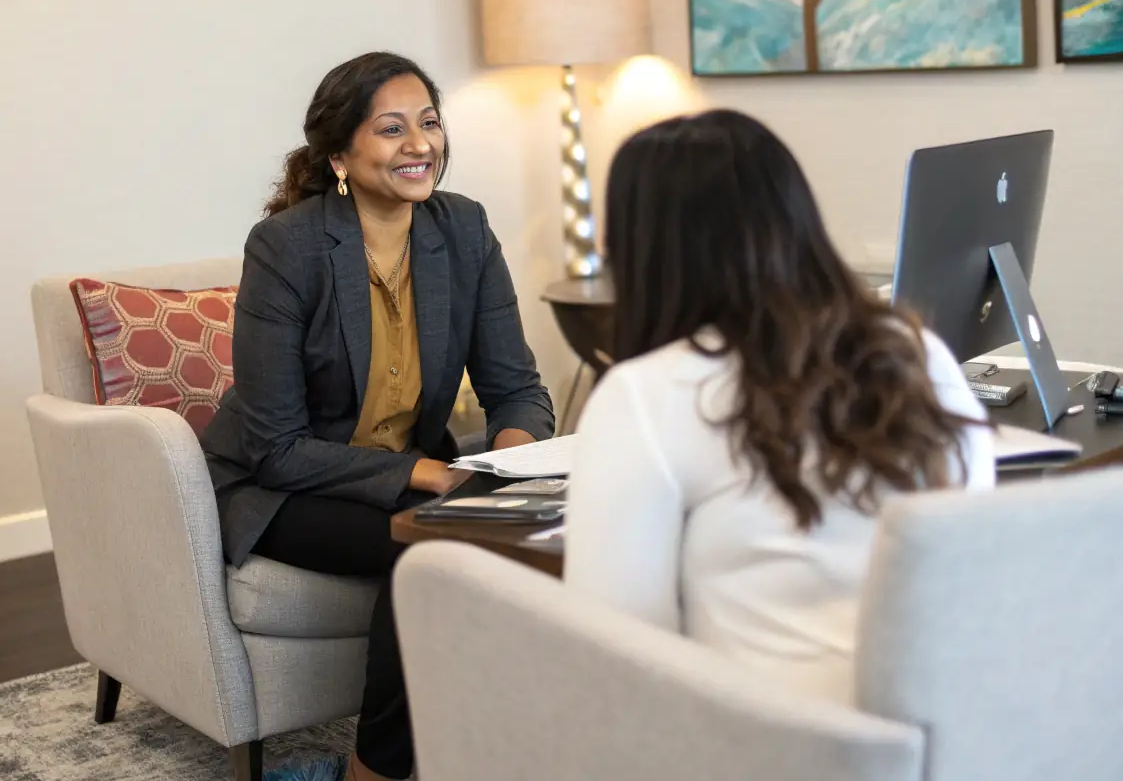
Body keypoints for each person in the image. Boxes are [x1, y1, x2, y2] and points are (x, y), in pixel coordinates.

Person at [201, 51, 554, 781]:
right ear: (339, 154)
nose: (419, 144)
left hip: (415, 476)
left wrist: (507, 469)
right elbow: (274, 446)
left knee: (527, 546)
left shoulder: (462, 230)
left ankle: (499, 747)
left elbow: (516, 387)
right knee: (426, 552)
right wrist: (428, 474)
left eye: (428, 123)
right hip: (285, 488)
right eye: (391, 129)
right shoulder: (288, 247)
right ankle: (376, 772)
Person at [563, 110, 994, 705]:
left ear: (643, 251)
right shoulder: (916, 353)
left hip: (775, 749)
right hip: (954, 739)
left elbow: (615, 662)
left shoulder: (645, 395)